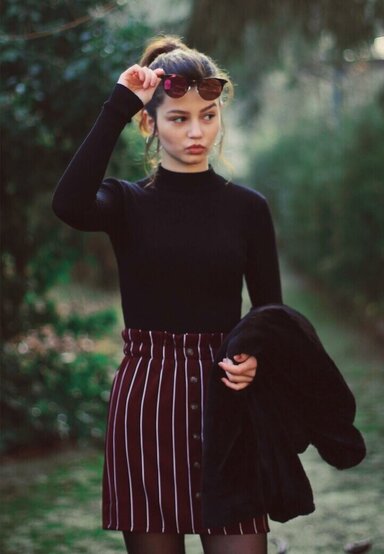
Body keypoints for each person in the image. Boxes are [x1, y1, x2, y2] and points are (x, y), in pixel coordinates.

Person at [52, 35, 283, 554]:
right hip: (147, 402)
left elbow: (270, 310)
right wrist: (119, 103)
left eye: (208, 115)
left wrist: (256, 355)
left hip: (227, 403)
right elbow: (67, 204)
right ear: (149, 123)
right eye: (179, 118)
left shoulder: (248, 209)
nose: (197, 131)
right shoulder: (125, 202)